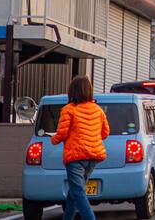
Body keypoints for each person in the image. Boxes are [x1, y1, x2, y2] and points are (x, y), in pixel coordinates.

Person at [51, 76, 109, 220]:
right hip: (94, 156)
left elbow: (62, 133)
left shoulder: (68, 109)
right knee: (74, 192)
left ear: (73, 91)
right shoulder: (98, 110)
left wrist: (53, 139)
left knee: (78, 192)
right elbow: (105, 133)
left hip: (76, 156)